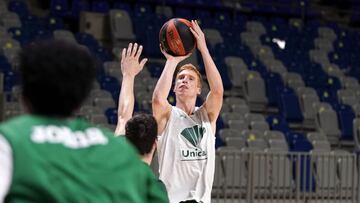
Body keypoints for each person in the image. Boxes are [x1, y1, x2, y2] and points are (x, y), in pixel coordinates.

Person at [0, 40, 168, 203]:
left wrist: (128, 76)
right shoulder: (116, 150)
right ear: (84, 97)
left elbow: (124, 116)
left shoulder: (10, 139)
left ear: (23, 97)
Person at [152, 20, 224, 203]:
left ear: (199, 89)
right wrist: (172, 60)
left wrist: (204, 50)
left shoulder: (206, 117)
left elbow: (217, 91)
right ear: (174, 88)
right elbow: (158, 100)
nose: (184, 81)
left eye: (190, 79)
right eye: (180, 78)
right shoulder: (168, 116)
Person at [114, 43, 169, 200]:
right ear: (154, 145)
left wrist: (128, 75)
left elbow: (123, 116)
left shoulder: (111, 174)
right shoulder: (155, 188)